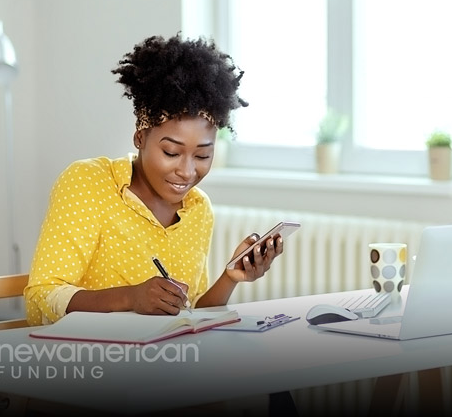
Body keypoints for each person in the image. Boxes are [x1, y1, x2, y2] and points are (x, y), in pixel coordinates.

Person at [24, 33, 284, 326]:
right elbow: (41, 297)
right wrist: (130, 298)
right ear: (140, 138)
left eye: (201, 156)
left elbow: (191, 315)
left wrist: (230, 277)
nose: (187, 172)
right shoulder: (88, 183)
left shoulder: (197, 209)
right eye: (171, 152)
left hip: (162, 364)